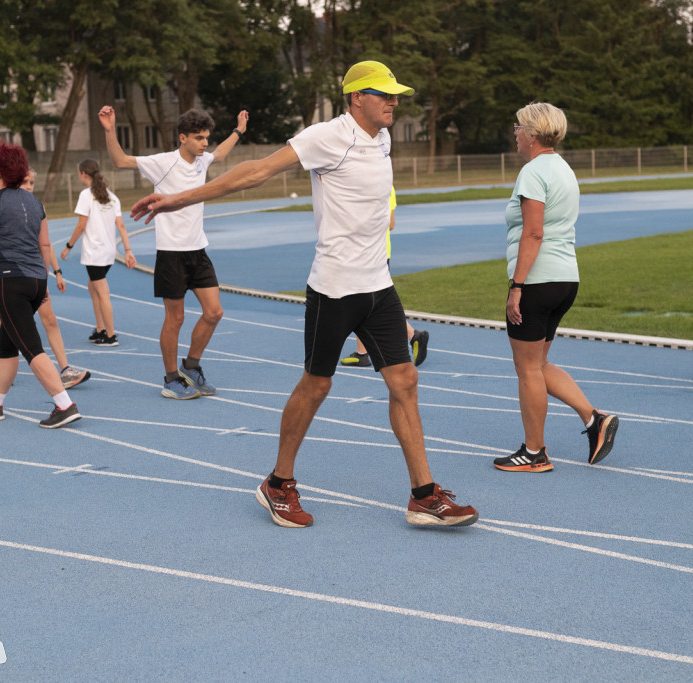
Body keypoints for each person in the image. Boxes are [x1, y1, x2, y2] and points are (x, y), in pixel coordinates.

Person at [132, 60, 477, 528]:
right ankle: (278, 483)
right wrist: (176, 199)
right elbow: (255, 172)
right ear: (357, 97)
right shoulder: (326, 136)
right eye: (384, 94)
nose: (394, 101)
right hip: (335, 287)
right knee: (317, 385)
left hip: (378, 285)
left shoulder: (383, 138)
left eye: (397, 95)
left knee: (405, 381)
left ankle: (423, 494)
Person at [491, 103, 619, 473]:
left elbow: (533, 232)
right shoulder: (564, 168)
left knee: (527, 369)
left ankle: (534, 453)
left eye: (517, 127)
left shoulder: (533, 172)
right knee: (539, 363)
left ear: (532, 133)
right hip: (565, 278)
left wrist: (517, 286)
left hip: (537, 280)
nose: (514, 132)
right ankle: (595, 419)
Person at [99, 105, 248, 399]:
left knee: (214, 312)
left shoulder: (203, 160)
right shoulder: (162, 162)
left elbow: (220, 154)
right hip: (171, 253)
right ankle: (170, 379)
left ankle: (191, 367)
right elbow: (119, 160)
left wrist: (239, 131)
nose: (205, 143)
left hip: (198, 250)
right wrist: (109, 129)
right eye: (199, 138)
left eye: (206, 137)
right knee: (175, 319)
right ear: (183, 138)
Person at [0, 142, 81, 428]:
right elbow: (44, 243)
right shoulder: (35, 202)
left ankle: (64, 404)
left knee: (31, 347)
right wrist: (43, 280)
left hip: (11, 282)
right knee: (9, 344)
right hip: (35, 280)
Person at [0, 169, 90, 390]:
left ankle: (65, 369)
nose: (30, 186)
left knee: (49, 319)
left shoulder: (36, 205)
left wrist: (55, 272)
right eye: (25, 182)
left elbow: (45, 244)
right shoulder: (7, 206)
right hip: (13, 276)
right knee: (4, 323)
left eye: (32, 182)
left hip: (35, 275)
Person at [341, 186, 429, 367]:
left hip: (372, 253)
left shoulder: (381, 184)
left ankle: (413, 336)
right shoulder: (380, 183)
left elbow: (390, 223)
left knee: (368, 301)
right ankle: (363, 352)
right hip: (372, 252)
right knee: (365, 300)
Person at [60, 159, 136, 347]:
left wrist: (68, 245)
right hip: (108, 252)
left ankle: (110, 335)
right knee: (93, 286)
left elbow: (81, 225)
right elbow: (121, 225)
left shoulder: (86, 195)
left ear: (83, 174)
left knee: (102, 292)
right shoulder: (112, 197)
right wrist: (127, 250)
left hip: (95, 253)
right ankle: (100, 329)